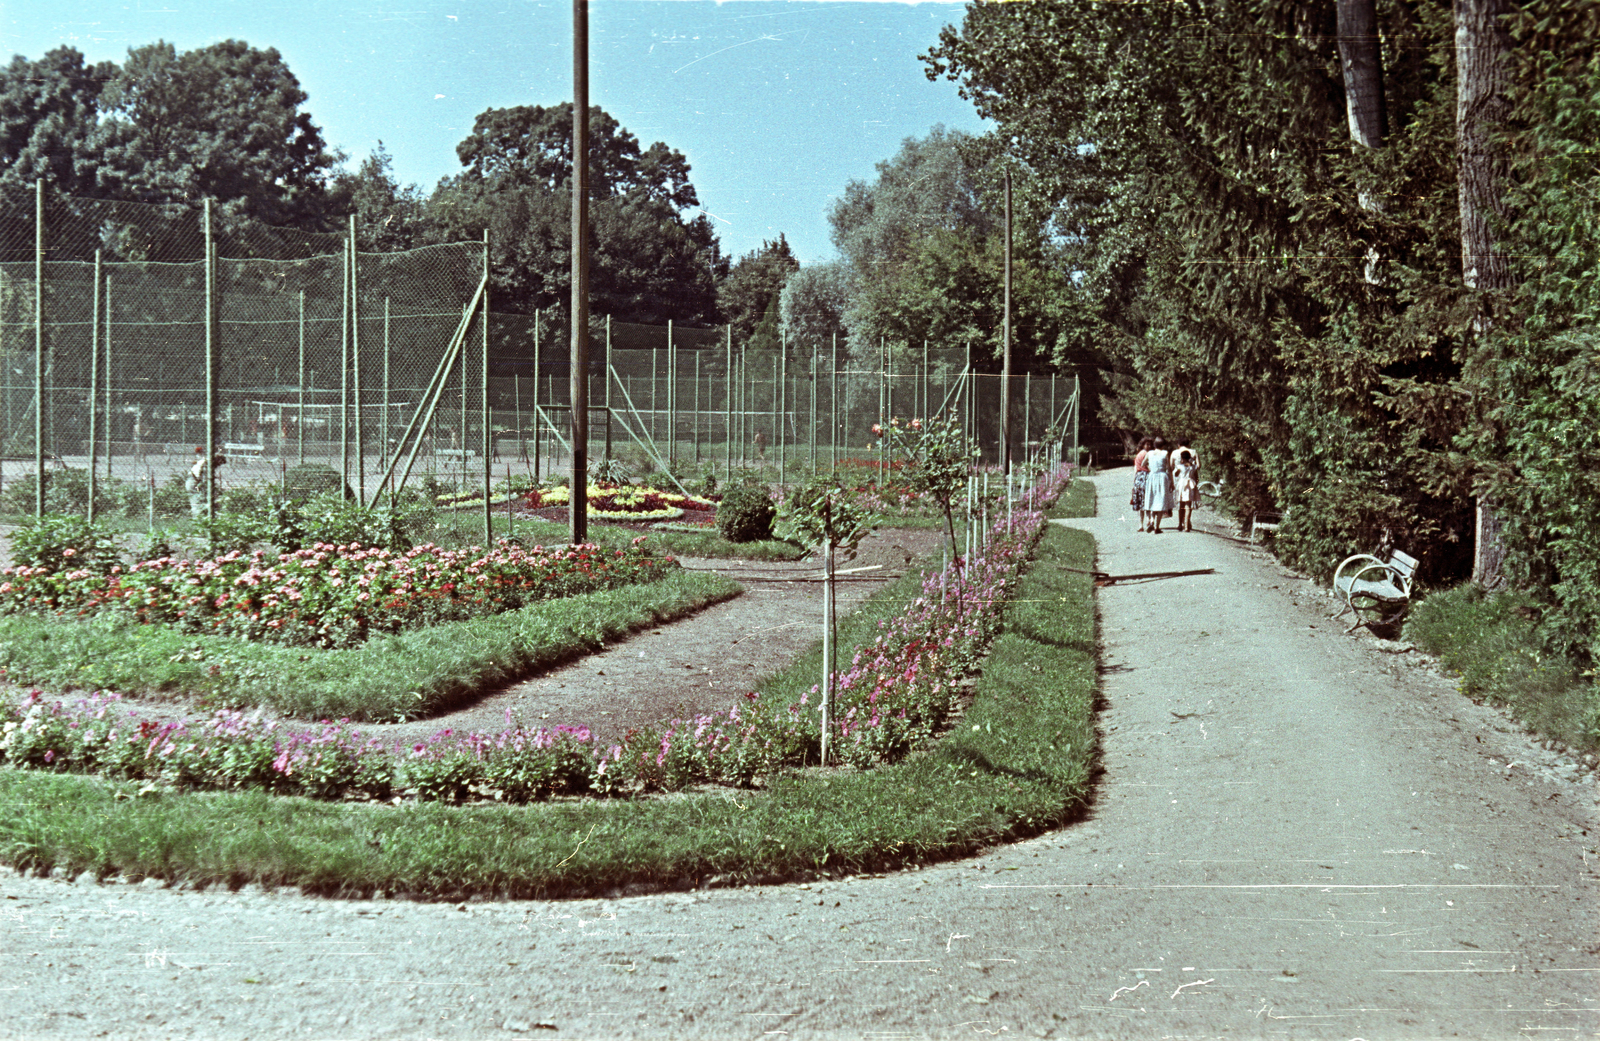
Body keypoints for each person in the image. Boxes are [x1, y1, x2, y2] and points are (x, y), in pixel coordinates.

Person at [1143, 436, 1175, 533]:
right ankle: (1157, 527)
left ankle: (1152, 521)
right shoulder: (1165, 453)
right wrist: (1172, 482)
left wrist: (1151, 468)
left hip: (1152, 476)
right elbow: (1169, 469)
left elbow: (1143, 464)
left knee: (1152, 499)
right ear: (1163, 445)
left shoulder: (1149, 453)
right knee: (1161, 500)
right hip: (1162, 477)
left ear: (1154, 444)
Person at [186, 447, 227, 518]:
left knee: (203, 500)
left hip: (195, 481)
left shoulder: (206, 461)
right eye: (220, 463)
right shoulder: (207, 464)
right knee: (197, 502)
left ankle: (207, 515)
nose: (219, 465)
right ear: (217, 460)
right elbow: (205, 480)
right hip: (194, 482)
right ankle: (197, 518)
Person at [1173, 447, 1200, 532]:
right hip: (1190, 484)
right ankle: (1187, 525)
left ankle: (1180, 524)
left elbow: (1176, 475)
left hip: (1182, 484)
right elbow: (1197, 474)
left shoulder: (1180, 466)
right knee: (1188, 505)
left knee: (1181, 505)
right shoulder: (1193, 466)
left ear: (1182, 458)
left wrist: (1179, 468)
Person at [1130, 437, 1153, 531]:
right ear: (1143, 445)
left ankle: (1141, 525)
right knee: (1146, 500)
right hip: (1145, 477)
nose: (1149, 446)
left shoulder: (1138, 454)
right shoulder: (1146, 454)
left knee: (1140, 502)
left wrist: (1134, 482)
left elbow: (1135, 469)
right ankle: (1149, 520)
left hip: (1138, 478)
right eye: (1147, 444)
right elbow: (1149, 467)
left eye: (1150, 444)